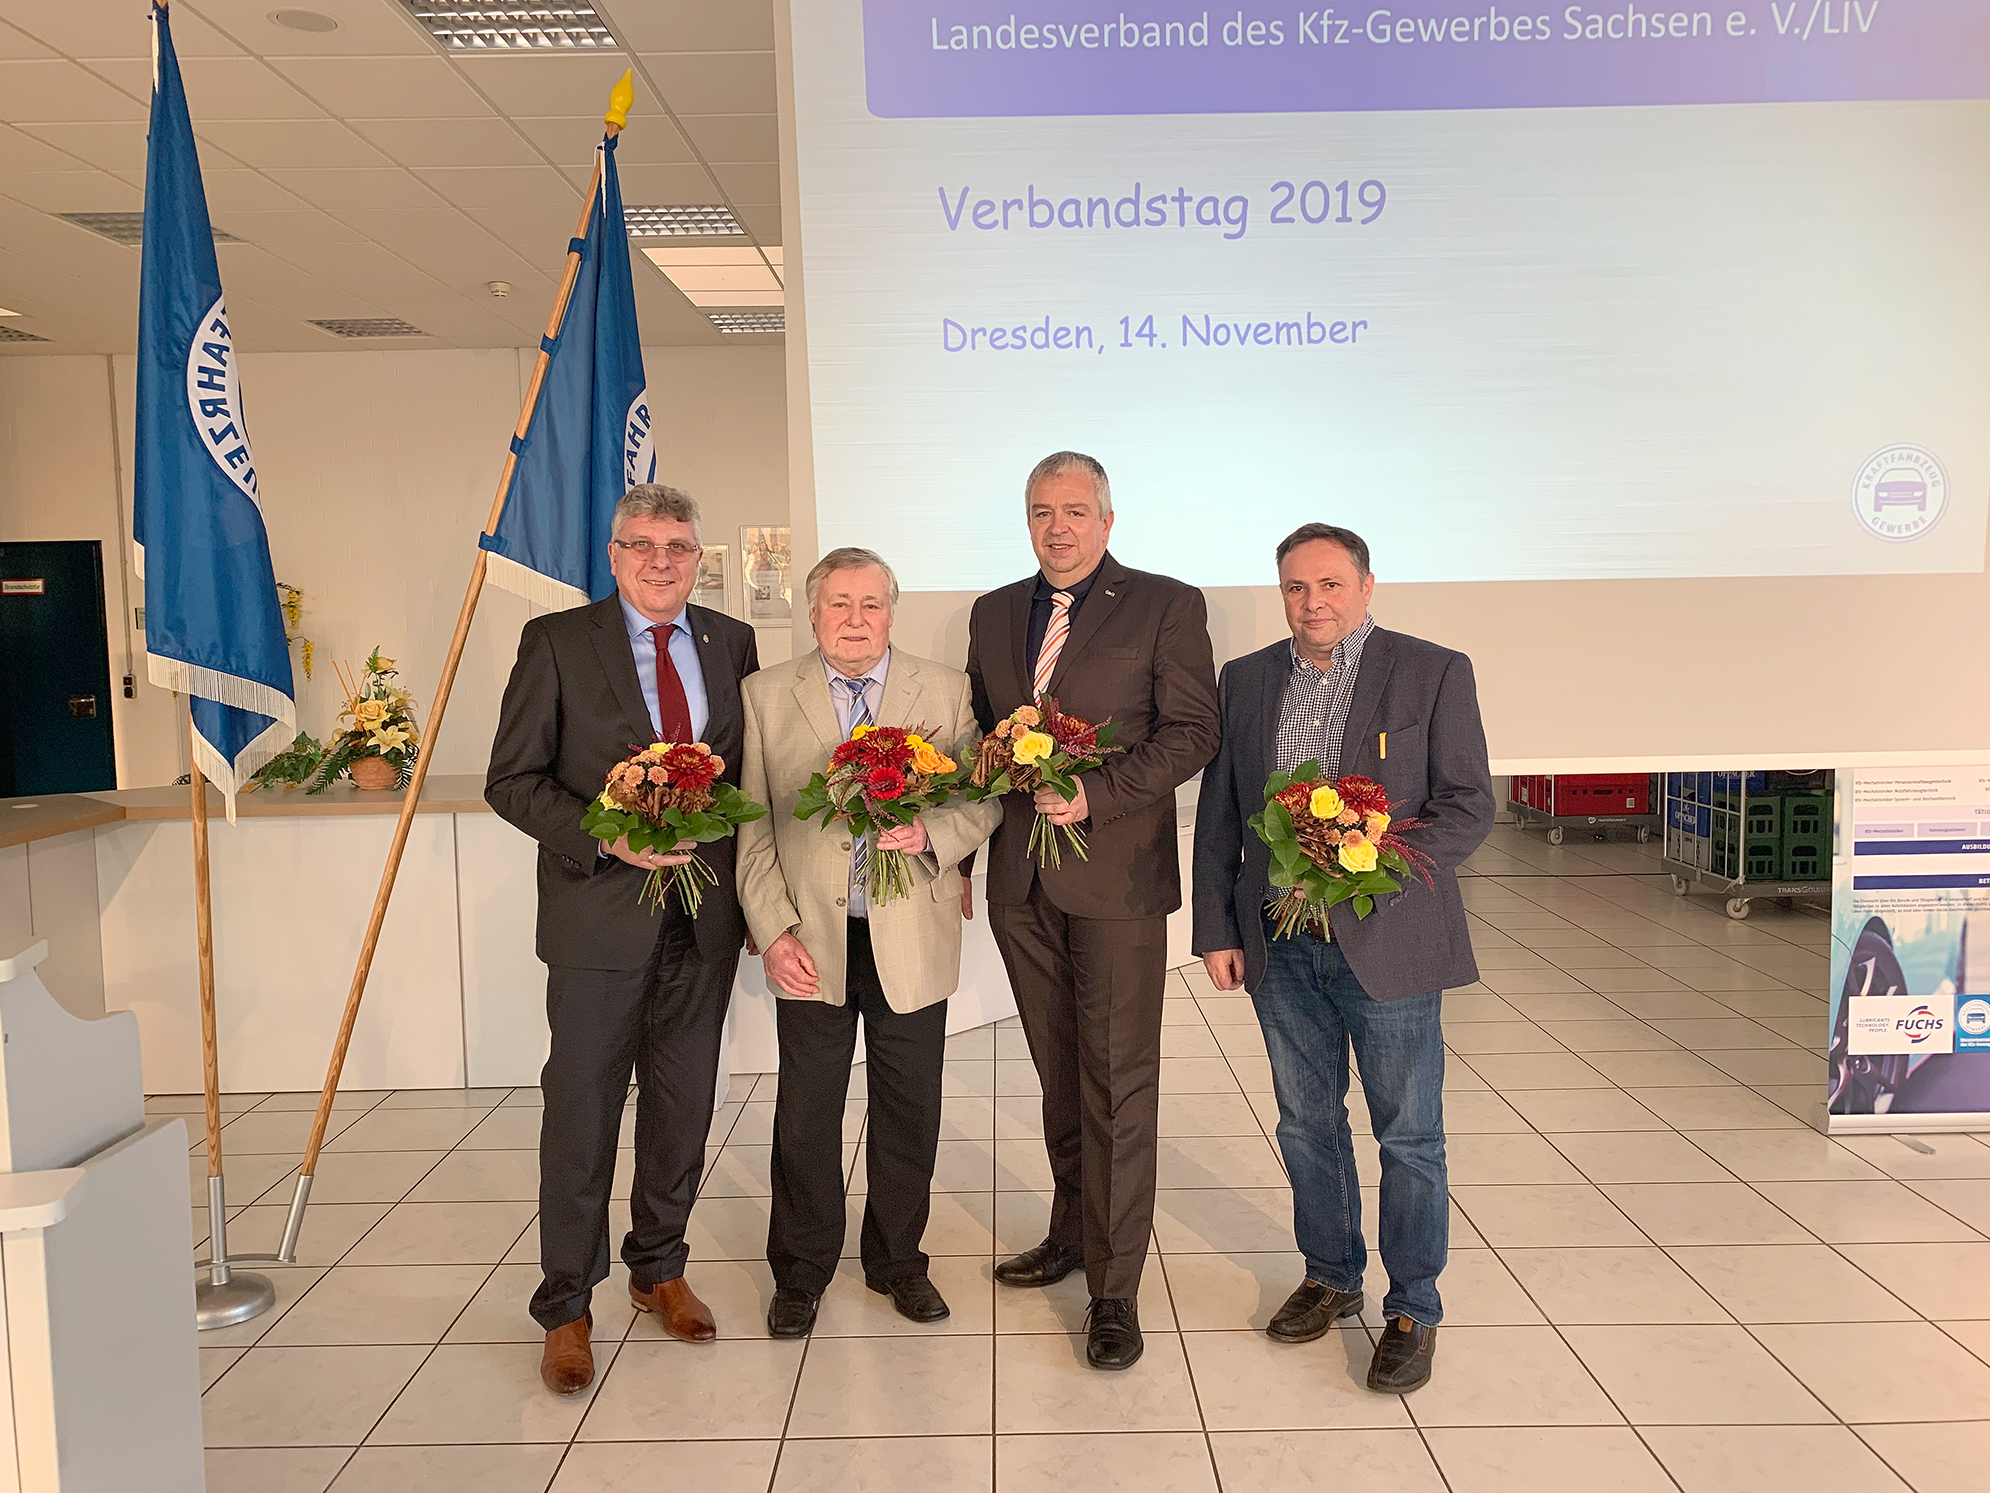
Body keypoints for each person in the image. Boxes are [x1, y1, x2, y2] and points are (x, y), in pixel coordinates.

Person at [1192, 522, 1494, 1394]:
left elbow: (1468, 805)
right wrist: (1217, 925)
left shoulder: (1432, 669)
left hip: (1389, 941)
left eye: (1329, 584)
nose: (1312, 603)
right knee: (1304, 1122)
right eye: (1295, 587)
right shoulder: (1246, 680)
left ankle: (1413, 1305)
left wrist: (1373, 856)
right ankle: (1331, 1272)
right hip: (1280, 946)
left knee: (1408, 1133)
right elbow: (1222, 816)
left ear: (1365, 586)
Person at [486, 484, 759, 1395]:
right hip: (599, 919)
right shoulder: (558, 644)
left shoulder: (731, 642)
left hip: (704, 920)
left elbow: (744, 780)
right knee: (583, 1115)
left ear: (697, 555)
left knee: (682, 1108)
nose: (660, 562)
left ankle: (658, 1265)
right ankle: (566, 1305)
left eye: (678, 545)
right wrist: (604, 835)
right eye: (641, 545)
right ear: (613, 554)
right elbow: (512, 780)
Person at [966, 451, 1219, 1370]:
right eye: (1042, 510)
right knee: (1060, 1071)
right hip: (1020, 883)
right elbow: (978, 740)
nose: (1058, 526)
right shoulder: (995, 612)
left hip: (1115, 881)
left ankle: (1115, 1292)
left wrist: (1096, 794)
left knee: (1118, 1080)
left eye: (1076, 509)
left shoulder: (1164, 603)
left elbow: (1195, 730)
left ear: (1108, 519)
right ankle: (1072, 1232)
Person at [736, 548, 1002, 1338]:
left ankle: (897, 1260)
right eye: (839, 604)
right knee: (808, 1110)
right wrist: (772, 927)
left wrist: (932, 834)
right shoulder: (764, 696)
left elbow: (982, 798)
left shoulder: (945, 690)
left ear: (894, 610)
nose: (856, 620)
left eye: (872, 604)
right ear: (812, 612)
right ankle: (802, 1268)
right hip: (811, 939)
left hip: (909, 935)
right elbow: (751, 825)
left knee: (908, 1108)